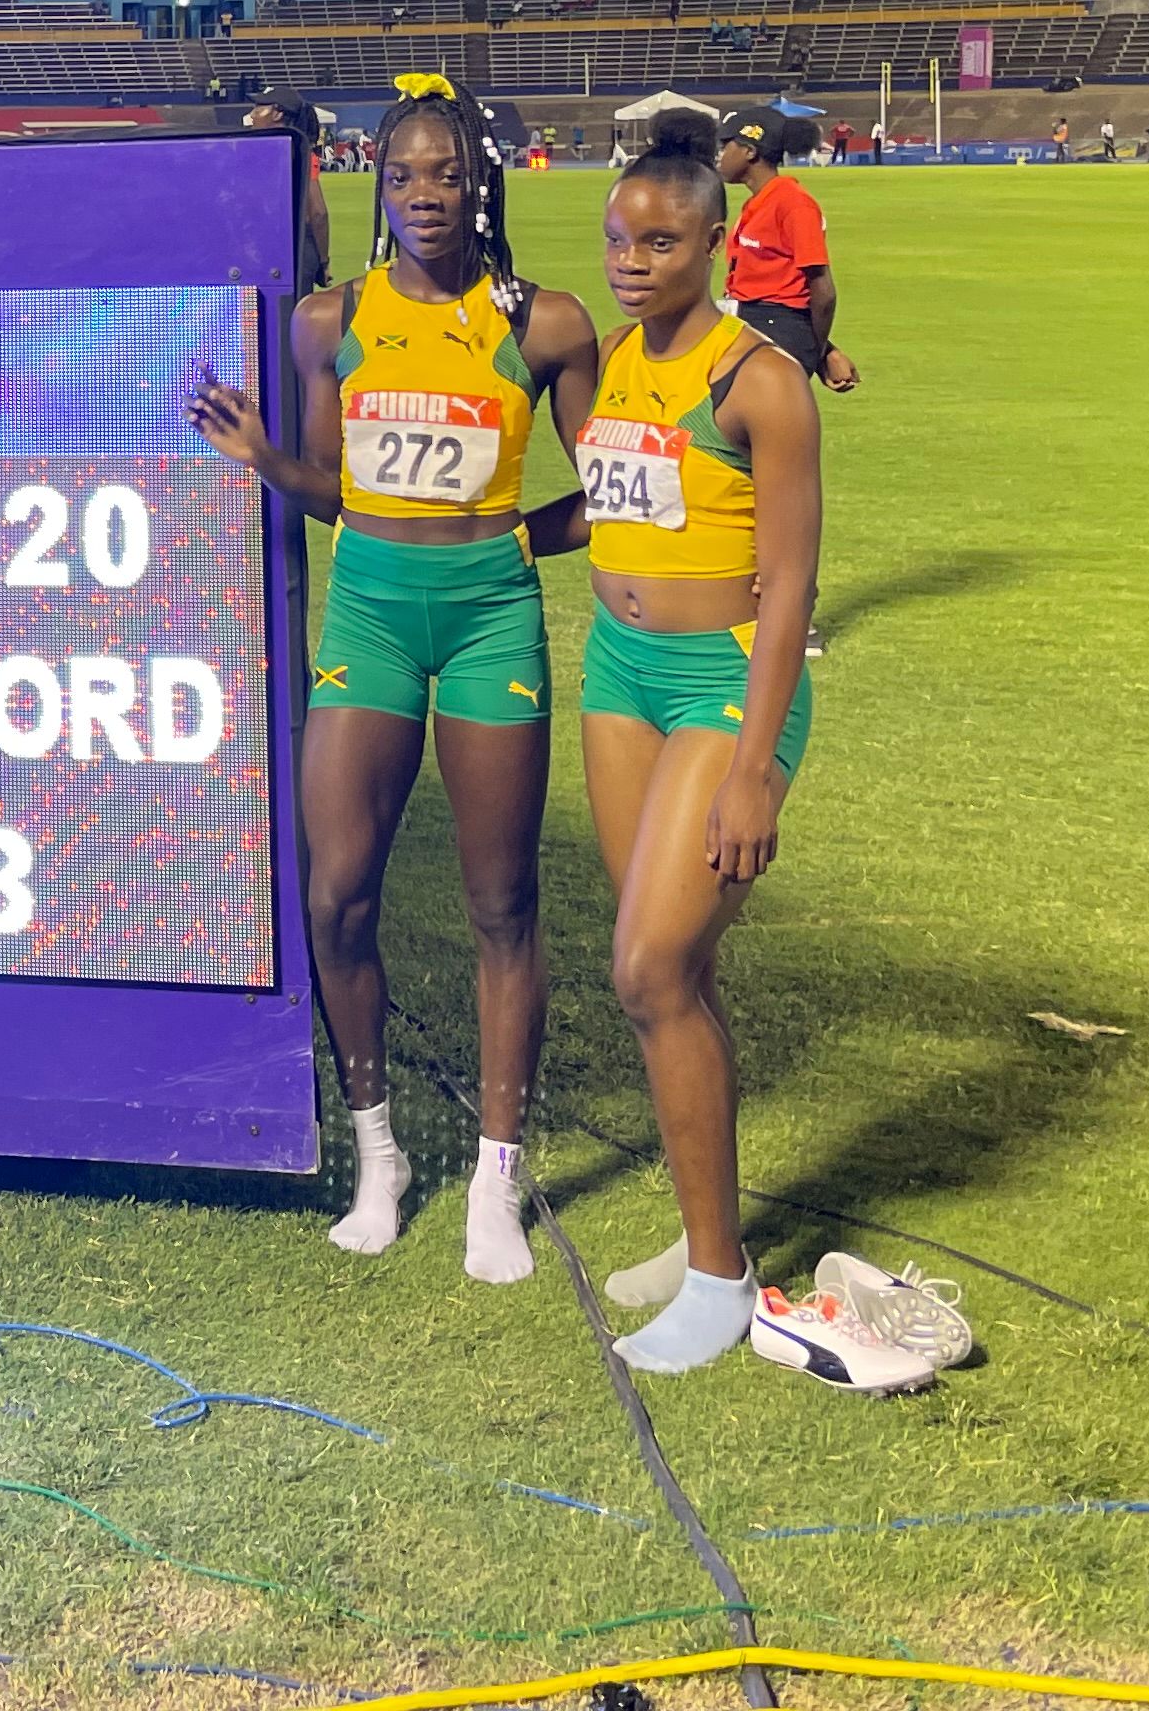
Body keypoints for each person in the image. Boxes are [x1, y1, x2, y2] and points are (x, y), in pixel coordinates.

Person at [191, 78, 599, 1284]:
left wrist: (520, 535)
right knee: (336, 897)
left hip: (488, 621)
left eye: (450, 175)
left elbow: (609, 476)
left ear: (484, 187)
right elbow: (331, 487)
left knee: (500, 905)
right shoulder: (332, 321)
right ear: (382, 185)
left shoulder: (546, 324)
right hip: (369, 613)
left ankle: (493, 1177)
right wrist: (268, 459)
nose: (429, 194)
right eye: (408, 175)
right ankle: (381, 1154)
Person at [573, 142, 825, 1373]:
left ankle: (721, 1287)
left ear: (713, 245)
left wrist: (755, 768)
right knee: (670, 972)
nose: (632, 262)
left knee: (649, 968)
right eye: (619, 239)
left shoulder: (760, 383)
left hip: (724, 688)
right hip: (618, 680)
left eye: (661, 243)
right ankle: (700, 1228)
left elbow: (788, 597)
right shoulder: (623, 359)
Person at [720, 113, 858, 393]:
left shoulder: (794, 204)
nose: (720, 156)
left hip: (775, 331)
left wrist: (815, 352)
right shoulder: (759, 202)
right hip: (750, 324)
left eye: (727, 146)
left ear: (749, 151)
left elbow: (823, 290)